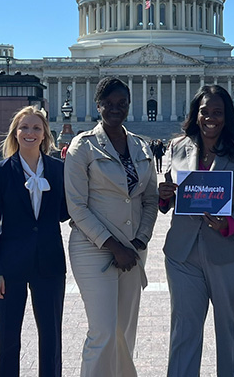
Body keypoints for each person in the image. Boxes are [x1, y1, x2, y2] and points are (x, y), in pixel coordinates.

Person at [157, 85, 234, 377]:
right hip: (182, 254)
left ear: (227, 116)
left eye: (218, 112)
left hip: (228, 252)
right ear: (196, 114)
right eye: (205, 112)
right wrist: (165, 194)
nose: (210, 118)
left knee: (232, 332)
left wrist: (231, 223)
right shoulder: (178, 146)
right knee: (183, 332)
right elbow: (171, 195)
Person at [64, 76, 159, 377]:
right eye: (109, 104)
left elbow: (150, 199)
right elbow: (76, 207)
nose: (116, 109)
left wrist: (140, 241)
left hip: (132, 249)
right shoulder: (83, 146)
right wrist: (114, 246)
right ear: (98, 105)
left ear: (129, 106)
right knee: (103, 331)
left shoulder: (142, 146)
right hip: (93, 248)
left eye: (122, 104)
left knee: (124, 332)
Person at [0, 106, 69, 377]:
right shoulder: (0, 172)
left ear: (45, 134)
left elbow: (66, 211)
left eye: (36, 128)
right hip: (10, 266)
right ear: (15, 133)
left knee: (51, 338)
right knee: (7, 337)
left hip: (50, 263)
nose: (29, 133)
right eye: (24, 128)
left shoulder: (58, 170)